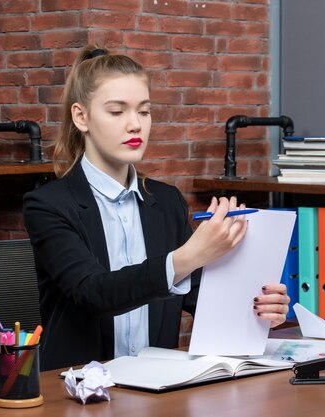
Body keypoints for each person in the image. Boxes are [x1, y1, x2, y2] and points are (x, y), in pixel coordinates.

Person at [23, 46, 290, 371]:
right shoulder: (48, 205)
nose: (135, 125)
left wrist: (260, 310)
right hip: (77, 389)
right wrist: (191, 255)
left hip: (156, 388)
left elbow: (199, 300)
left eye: (144, 111)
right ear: (81, 117)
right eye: (117, 111)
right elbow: (92, 293)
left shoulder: (166, 201)